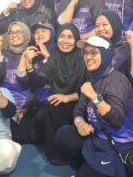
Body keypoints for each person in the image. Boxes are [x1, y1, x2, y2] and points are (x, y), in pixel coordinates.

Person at [54, 36, 133, 177]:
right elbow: (78, 111)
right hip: (97, 138)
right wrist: (80, 123)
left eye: (94, 53)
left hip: (119, 146)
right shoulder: (93, 78)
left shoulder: (116, 81)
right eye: (86, 53)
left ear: (106, 54)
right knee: (63, 135)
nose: (88, 57)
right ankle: (89, 169)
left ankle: (128, 173)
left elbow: (116, 120)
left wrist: (94, 97)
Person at [18, 23, 85, 163]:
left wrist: (67, 97)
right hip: (58, 102)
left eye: (70, 37)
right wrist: (29, 67)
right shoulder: (55, 57)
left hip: (80, 103)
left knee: (53, 106)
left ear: (76, 40)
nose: (65, 41)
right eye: (62, 36)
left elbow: (90, 89)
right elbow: (40, 82)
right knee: (31, 133)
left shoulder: (83, 58)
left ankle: (59, 154)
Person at [94, 11, 133, 132]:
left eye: (105, 24)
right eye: (97, 26)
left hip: (129, 119)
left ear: (115, 25)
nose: (100, 29)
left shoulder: (126, 48)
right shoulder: (97, 50)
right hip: (103, 111)